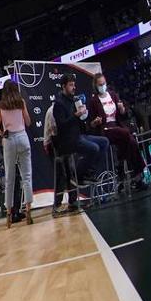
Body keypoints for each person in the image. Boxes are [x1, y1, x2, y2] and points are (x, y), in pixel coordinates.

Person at [51, 74, 108, 211]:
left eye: (74, 84)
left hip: (80, 135)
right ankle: (78, 175)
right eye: (71, 85)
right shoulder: (58, 104)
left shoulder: (74, 100)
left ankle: (88, 174)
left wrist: (85, 117)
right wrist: (75, 116)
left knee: (104, 142)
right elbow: (62, 125)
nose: (74, 87)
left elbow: (80, 122)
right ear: (63, 86)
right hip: (68, 140)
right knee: (93, 148)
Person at [86, 72, 147, 187]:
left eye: (104, 83)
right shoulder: (93, 101)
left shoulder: (113, 95)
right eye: (100, 84)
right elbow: (90, 124)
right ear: (96, 86)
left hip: (118, 126)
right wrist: (95, 122)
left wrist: (122, 109)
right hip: (105, 130)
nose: (102, 86)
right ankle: (133, 172)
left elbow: (123, 115)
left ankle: (131, 173)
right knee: (127, 133)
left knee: (131, 141)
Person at [0, 80, 33, 228]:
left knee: (10, 178)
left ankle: (9, 213)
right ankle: (28, 210)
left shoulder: (0, 106)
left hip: (9, 139)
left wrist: (4, 132)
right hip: (22, 136)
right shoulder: (21, 102)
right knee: (27, 177)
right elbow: (28, 122)